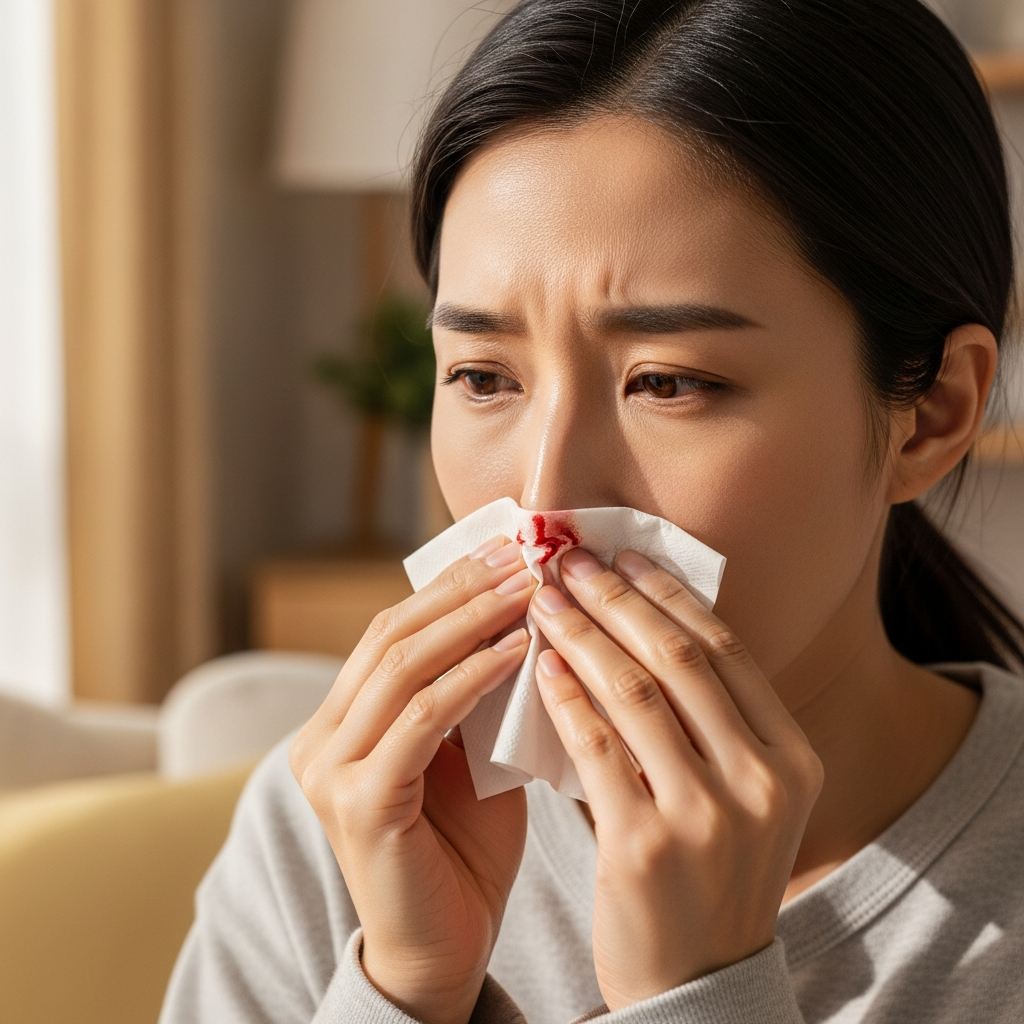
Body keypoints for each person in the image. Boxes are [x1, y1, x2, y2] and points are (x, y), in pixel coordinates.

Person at [159, 1, 1024, 1021]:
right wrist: (406, 990)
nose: (542, 501)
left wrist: (699, 996)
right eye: (482, 376)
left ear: (933, 412)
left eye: (667, 382)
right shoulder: (339, 826)